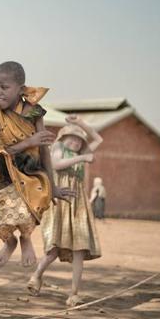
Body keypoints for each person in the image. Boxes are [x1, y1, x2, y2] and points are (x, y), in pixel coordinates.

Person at [0, 61, 72, 268]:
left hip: (32, 173)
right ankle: (10, 241)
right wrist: (27, 143)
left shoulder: (33, 112)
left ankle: (25, 238)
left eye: (4, 87)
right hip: (3, 173)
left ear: (21, 89)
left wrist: (53, 186)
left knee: (26, 207)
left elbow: (44, 150)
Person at [27, 115, 103, 307]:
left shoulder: (81, 151)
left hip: (78, 204)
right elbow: (56, 164)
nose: (75, 141)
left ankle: (74, 293)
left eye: (79, 140)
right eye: (71, 137)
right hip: (59, 201)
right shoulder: (59, 149)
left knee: (79, 248)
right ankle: (36, 276)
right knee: (53, 249)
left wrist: (80, 124)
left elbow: (99, 139)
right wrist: (83, 157)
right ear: (62, 139)